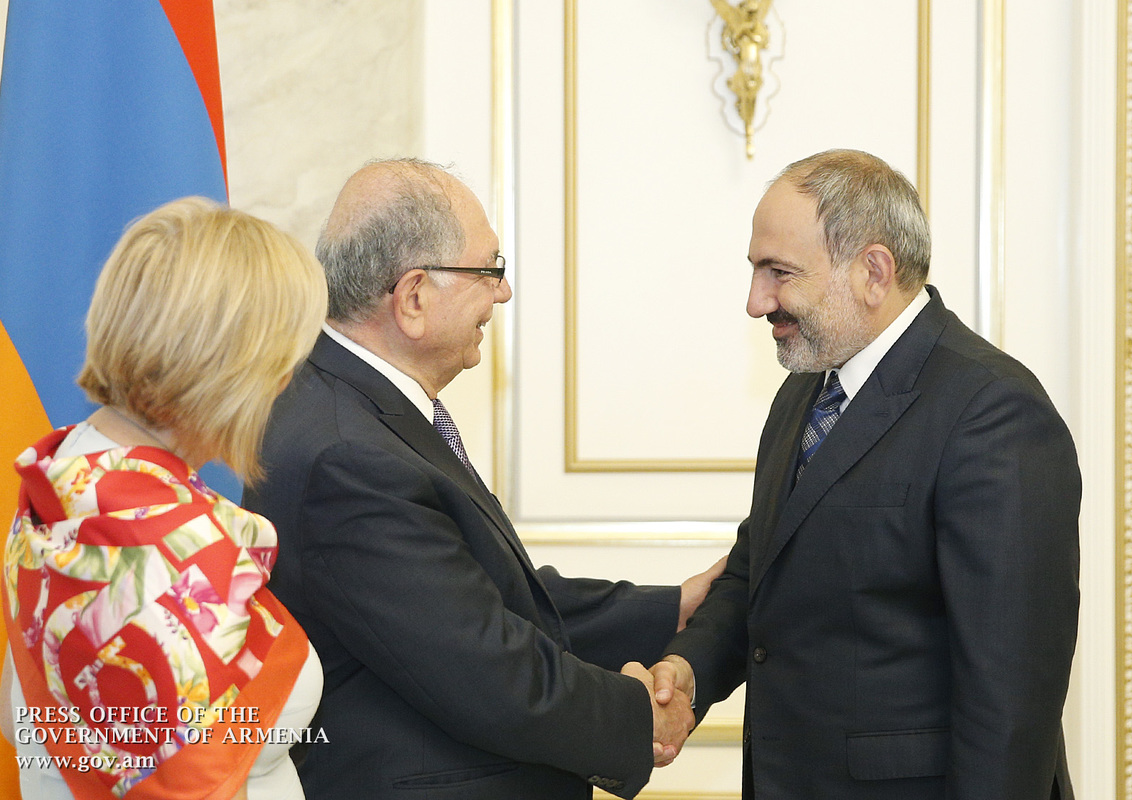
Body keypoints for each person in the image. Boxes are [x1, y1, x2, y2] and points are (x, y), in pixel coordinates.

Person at [242, 158, 716, 800]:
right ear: (413, 297)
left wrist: (670, 608)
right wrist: (639, 716)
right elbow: (482, 665)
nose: (504, 293)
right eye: (489, 270)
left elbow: (477, 593)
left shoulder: (350, 408)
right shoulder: (347, 455)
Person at [650, 149, 1081, 798]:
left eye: (778, 272)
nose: (756, 301)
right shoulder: (804, 393)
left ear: (873, 272)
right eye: (755, 270)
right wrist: (689, 669)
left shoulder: (994, 411)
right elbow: (760, 571)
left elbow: (1010, 701)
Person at [0, 197, 329, 800]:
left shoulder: (69, 475)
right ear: (229, 369)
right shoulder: (166, 539)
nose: (284, 385)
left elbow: (16, 717)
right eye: (282, 364)